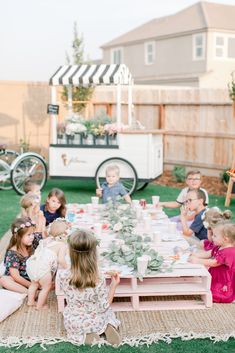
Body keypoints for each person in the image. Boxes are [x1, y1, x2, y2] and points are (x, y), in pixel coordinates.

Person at [58, 229, 121, 346]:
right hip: (96, 318)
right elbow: (104, 307)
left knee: (72, 323)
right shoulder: (98, 278)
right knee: (108, 314)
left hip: (75, 320)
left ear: (71, 252)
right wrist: (113, 286)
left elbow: (68, 268)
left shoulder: (62, 275)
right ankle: (106, 327)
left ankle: (85, 335)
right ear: (93, 253)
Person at [26, 218, 68, 309]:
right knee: (46, 287)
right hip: (43, 269)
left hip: (32, 264)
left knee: (34, 284)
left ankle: (30, 301)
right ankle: (40, 305)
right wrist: (67, 267)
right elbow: (61, 260)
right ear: (64, 234)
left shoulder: (46, 240)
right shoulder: (62, 245)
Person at [189, 223, 235, 303]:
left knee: (214, 294)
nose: (212, 237)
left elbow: (214, 263)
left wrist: (197, 261)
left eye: (215, 236)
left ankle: (224, 295)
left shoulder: (229, 252)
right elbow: (209, 253)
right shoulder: (219, 246)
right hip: (217, 275)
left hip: (223, 279)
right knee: (207, 286)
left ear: (225, 239)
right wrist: (195, 255)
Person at [0, 217, 41, 294]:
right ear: (17, 236)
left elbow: (46, 234)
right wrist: (33, 286)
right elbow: (16, 277)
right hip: (20, 281)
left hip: (34, 276)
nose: (32, 237)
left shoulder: (33, 240)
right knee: (4, 280)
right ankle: (31, 293)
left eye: (32, 233)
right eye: (29, 235)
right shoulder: (13, 253)